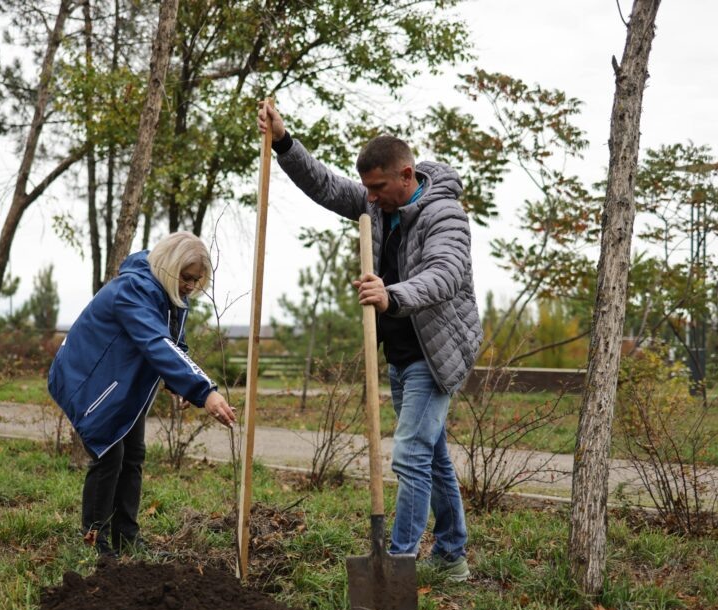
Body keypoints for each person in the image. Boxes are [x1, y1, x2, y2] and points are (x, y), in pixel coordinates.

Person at [258, 101, 482, 581]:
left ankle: (397, 563)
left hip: (436, 354)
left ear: (406, 175)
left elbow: (444, 275)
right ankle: (452, 556)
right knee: (432, 454)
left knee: (410, 455)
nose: (370, 198)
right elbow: (325, 185)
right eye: (367, 190)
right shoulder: (378, 203)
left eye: (378, 188)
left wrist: (391, 293)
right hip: (401, 353)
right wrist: (283, 141)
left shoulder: (446, 215)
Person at [48, 232, 237, 557]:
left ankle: (126, 536)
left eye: (196, 280)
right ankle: (95, 541)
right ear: (169, 266)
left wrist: (178, 385)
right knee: (110, 454)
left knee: (133, 454)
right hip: (89, 380)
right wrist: (205, 391)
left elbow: (174, 344)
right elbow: (155, 343)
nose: (190, 286)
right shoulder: (133, 290)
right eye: (186, 277)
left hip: (121, 383)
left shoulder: (169, 295)